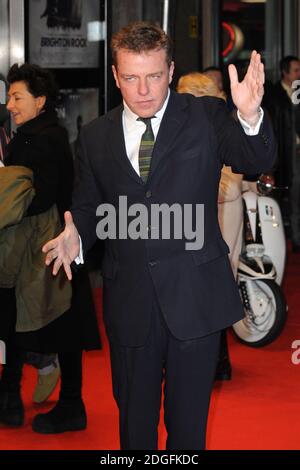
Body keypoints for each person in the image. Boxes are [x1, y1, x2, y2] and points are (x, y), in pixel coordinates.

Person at [43, 22, 276, 449]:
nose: (143, 89)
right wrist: (76, 236)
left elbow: (254, 157)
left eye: (153, 76)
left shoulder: (205, 117)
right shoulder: (96, 136)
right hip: (130, 303)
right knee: (135, 430)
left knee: (188, 433)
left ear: (170, 71)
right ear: (115, 76)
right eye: (130, 77)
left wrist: (248, 115)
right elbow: (91, 205)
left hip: (195, 299)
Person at [0, 63, 100, 433]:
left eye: (17, 96)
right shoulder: (31, 134)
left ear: (39, 100)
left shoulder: (44, 138)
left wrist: (7, 191)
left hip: (52, 245)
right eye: (9, 96)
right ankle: (12, 396)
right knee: (20, 319)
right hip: (35, 245)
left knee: (61, 326)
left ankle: (69, 404)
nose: (10, 104)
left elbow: (40, 197)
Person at [177, 72, 244, 381]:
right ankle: (216, 360)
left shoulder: (216, 128)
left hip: (218, 222)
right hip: (202, 223)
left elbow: (231, 185)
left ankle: (217, 360)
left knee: (213, 287)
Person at [263, 56, 300, 252]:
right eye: (295, 70)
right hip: (285, 154)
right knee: (292, 195)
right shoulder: (274, 95)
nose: (299, 74)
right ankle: (294, 237)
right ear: (285, 73)